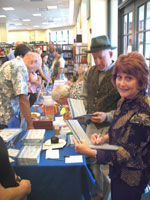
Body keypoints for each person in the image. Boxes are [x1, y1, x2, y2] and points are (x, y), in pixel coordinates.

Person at [74, 51, 150, 200]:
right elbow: (120, 130)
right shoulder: (125, 100)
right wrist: (104, 139)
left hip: (131, 178)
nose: (121, 83)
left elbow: (125, 155)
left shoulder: (143, 115)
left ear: (140, 81)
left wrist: (90, 151)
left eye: (129, 78)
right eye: (119, 77)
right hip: (117, 172)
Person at [80, 35, 120, 200]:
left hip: (110, 129)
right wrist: (79, 111)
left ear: (110, 54)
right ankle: (99, 194)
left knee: (107, 168)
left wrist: (108, 116)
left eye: (100, 57)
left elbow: (126, 108)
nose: (97, 62)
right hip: (91, 126)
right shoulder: (89, 73)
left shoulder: (120, 74)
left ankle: (109, 197)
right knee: (93, 164)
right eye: (94, 57)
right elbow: (83, 96)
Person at [0, 51, 42, 129]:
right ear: (33, 62)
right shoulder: (21, 67)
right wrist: (30, 124)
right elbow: (23, 98)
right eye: (34, 70)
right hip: (5, 117)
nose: (32, 72)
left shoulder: (12, 62)